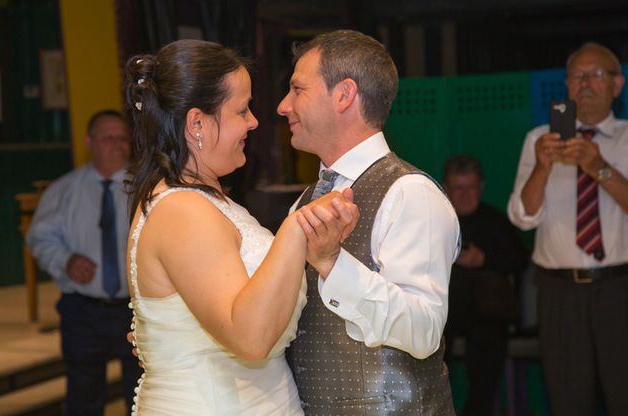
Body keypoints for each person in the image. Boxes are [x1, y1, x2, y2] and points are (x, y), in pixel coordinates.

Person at [123, 39, 358, 415]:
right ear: (197, 123)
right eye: (241, 110)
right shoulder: (183, 209)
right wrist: (296, 230)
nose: (254, 121)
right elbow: (248, 338)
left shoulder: (203, 201)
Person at [277, 29, 461, 414]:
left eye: (297, 90)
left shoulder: (410, 193)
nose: (283, 106)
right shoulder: (303, 202)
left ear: (344, 95)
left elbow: (424, 330)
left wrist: (332, 263)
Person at [507, 42, 628, 416]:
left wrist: (600, 168)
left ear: (617, 84)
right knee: (568, 402)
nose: (585, 83)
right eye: (576, 76)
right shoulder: (539, 139)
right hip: (559, 292)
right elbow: (521, 216)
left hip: (619, 290)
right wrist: (543, 166)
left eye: (595, 74)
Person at [27, 110, 143, 415]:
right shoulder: (64, 191)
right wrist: (66, 260)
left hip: (137, 310)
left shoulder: (144, 189)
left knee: (142, 393)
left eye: (122, 137)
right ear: (89, 142)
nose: (117, 144)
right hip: (82, 311)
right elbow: (40, 238)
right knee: (83, 395)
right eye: (108, 137)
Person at [442, 154, 528, 416]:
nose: (466, 195)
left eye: (471, 188)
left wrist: (484, 259)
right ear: (446, 189)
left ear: (481, 188)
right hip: (444, 314)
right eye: (459, 188)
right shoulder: (436, 221)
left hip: (487, 315)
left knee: (488, 346)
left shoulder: (496, 222)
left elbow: (519, 260)